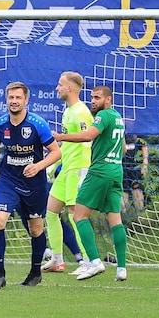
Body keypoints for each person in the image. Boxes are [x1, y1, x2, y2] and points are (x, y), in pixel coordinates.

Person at [0, 81, 61, 289]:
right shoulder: (0, 124)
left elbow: (56, 152)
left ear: (26, 100)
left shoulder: (37, 124)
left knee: (36, 230)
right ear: (6, 99)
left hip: (34, 184)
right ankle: (0, 274)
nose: (14, 101)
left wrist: (38, 166)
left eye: (18, 98)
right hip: (8, 180)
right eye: (11, 97)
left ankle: (35, 273)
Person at [54, 85, 128, 281]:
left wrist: (61, 137)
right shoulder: (118, 118)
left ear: (108, 99)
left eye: (97, 97)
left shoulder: (102, 117)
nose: (93, 101)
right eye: (92, 97)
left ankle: (94, 262)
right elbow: (124, 149)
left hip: (99, 170)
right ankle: (121, 268)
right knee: (115, 218)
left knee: (79, 216)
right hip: (116, 171)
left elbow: (88, 135)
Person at [42, 71, 93, 275]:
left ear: (69, 88)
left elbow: (87, 138)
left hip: (78, 169)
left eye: (60, 84)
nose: (57, 88)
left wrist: (61, 136)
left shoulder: (81, 112)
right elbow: (66, 145)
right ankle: (57, 259)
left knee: (75, 215)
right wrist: (52, 167)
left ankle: (90, 260)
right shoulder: (68, 111)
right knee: (51, 212)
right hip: (66, 170)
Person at [122, 134, 149, 214]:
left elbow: (144, 147)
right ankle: (123, 214)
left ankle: (141, 214)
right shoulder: (121, 128)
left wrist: (145, 164)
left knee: (137, 189)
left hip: (136, 167)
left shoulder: (138, 129)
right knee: (124, 191)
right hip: (123, 167)